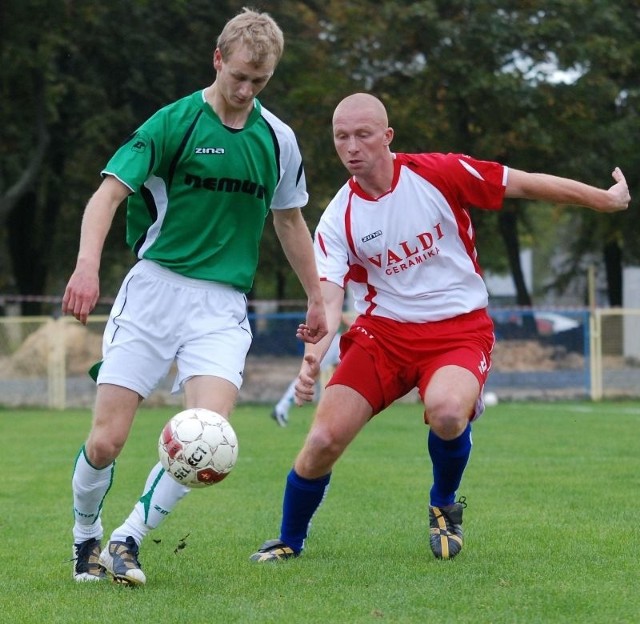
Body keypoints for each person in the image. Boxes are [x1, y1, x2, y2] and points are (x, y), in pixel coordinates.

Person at [250, 92, 631, 563]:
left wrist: (605, 200)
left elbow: (524, 184)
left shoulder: (438, 173)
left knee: (448, 412)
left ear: (387, 137)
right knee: (324, 440)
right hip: (382, 337)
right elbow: (327, 299)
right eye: (341, 137)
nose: (352, 147)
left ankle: (444, 505)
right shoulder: (337, 219)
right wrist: (312, 357)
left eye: (363, 135)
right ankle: (290, 540)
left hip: (458, 330)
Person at [62, 8, 327, 586]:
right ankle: (85, 536)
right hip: (154, 292)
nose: (246, 90)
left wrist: (316, 296)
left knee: (208, 435)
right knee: (107, 441)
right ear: (217, 59)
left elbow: (289, 221)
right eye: (238, 76)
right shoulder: (173, 123)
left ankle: (128, 538)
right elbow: (106, 196)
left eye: (259, 82)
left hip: (222, 307)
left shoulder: (278, 140)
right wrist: (87, 268)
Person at [271, 331, 341, 427]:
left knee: (324, 374)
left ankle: (329, 413)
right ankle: (282, 407)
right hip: (327, 338)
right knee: (310, 374)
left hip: (335, 337)